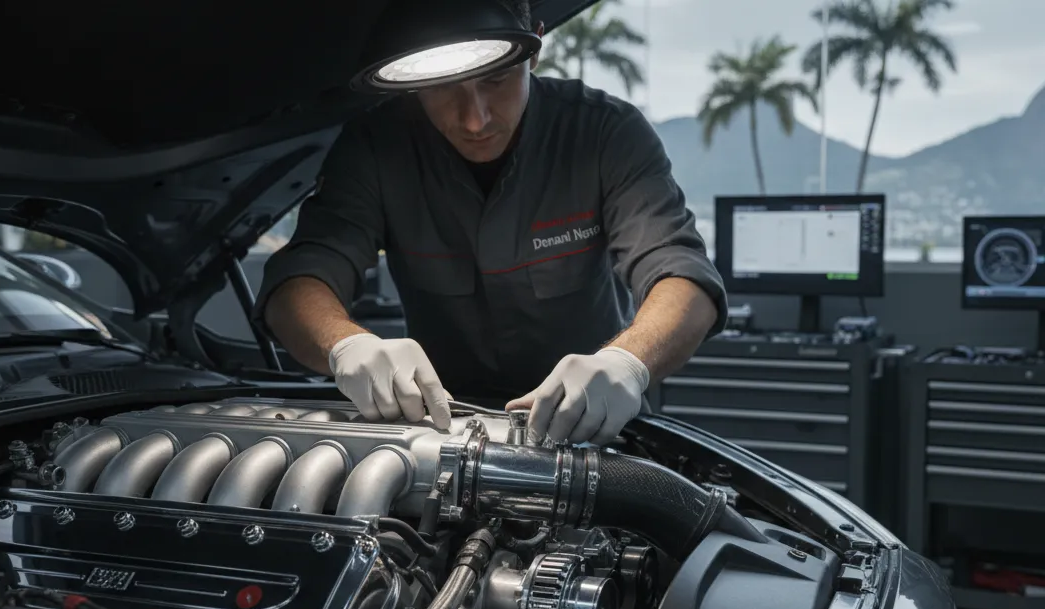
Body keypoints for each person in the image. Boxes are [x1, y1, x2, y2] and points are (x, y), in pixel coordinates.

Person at [253, 0, 726, 446]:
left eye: (497, 80)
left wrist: (627, 363)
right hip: (437, 432)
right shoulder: (375, 148)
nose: (475, 120)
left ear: (535, 46)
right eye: (441, 88)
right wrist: (346, 346)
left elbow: (682, 275)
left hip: (595, 431)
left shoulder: (605, 133)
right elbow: (302, 276)